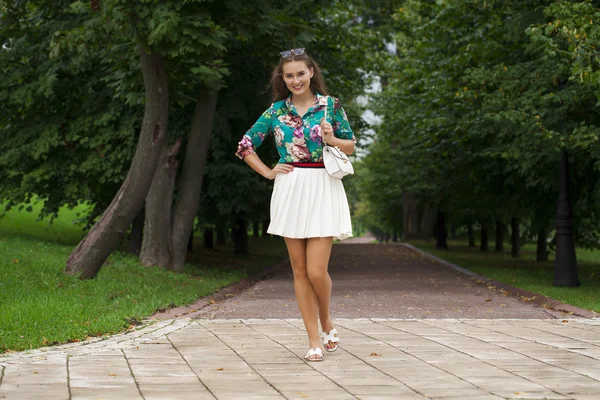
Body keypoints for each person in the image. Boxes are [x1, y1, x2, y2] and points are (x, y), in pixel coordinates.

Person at [235, 48, 356, 362]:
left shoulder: (331, 107)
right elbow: (246, 145)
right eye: (289, 75)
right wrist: (269, 172)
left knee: (317, 271)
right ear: (283, 78)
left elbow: (351, 146)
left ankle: (326, 318)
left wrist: (331, 140)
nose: (295, 80)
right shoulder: (275, 111)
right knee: (299, 271)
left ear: (311, 72)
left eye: (300, 73)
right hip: (290, 186)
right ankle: (313, 340)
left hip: (324, 185)